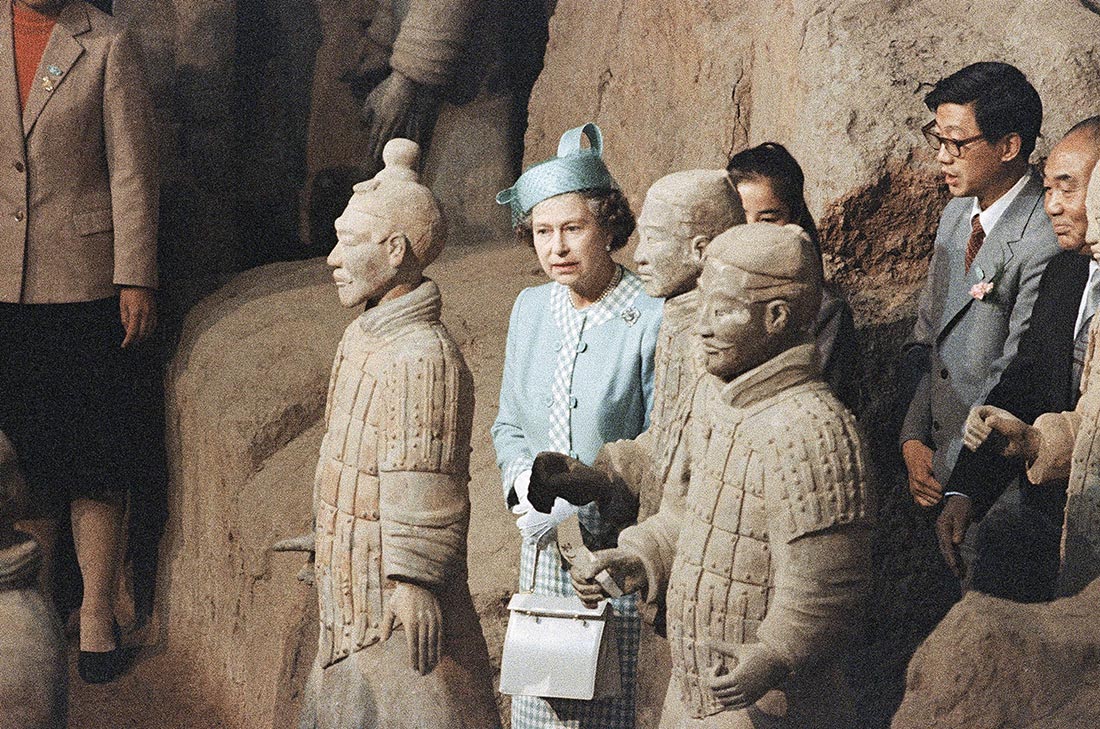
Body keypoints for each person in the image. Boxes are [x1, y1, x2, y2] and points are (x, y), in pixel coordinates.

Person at [572, 223, 873, 729]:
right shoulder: (711, 398)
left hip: (769, 702)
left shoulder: (815, 430)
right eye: (704, 305)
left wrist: (776, 653)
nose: (703, 327)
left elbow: (828, 585)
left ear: (777, 317)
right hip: (693, 688)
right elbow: (687, 519)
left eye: (725, 310)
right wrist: (639, 557)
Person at [276, 139, 500, 728]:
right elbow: (362, 460)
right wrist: (336, 532)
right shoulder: (364, 336)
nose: (331, 258)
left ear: (395, 249)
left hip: (398, 608)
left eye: (347, 243)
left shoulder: (423, 358)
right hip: (354, 592)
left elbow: (425, 477)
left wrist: (415, 579)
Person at [0, 0, 158, 683]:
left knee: (94, 444)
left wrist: (136, 274)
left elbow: (132, 169)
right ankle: (34, 602)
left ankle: (96, 610)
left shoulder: (109, 43)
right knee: (24, 449)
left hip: (88, 279)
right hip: (4, 279)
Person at [492, 122, 662, 728]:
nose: (557, 247)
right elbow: (509, 422)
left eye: (573, 228)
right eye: (542, 231)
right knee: (542, 708)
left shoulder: (649, 315)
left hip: (611, 551)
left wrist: (602, 491)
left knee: (603, 710)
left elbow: (661, 438)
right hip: (540, 544)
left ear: (609, 226)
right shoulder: (531, 309)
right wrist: (526, 493)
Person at [936, 117, 1100, 601]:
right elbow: (1025, 380)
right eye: (1046, 188)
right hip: (1047, 517)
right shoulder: (1067, 270)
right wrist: (966, 490)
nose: (1052, 206)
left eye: (1068, 189)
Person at [898, 63, 1058, 534]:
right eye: (938, 140)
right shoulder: (954, 216)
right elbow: (926, 338)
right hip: (933, 464)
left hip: (993, 484)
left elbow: (1019, 373)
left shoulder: (1044, 238)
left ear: (1009, 146)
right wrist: (912, 440)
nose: (944, 158)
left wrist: (964, 483)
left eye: (958, 144)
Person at [726, 142, 859, 411]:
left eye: (767, 219)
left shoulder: (824, 312)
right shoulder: (703, 298)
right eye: (740, 217)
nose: (751, 232)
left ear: (794, 217)